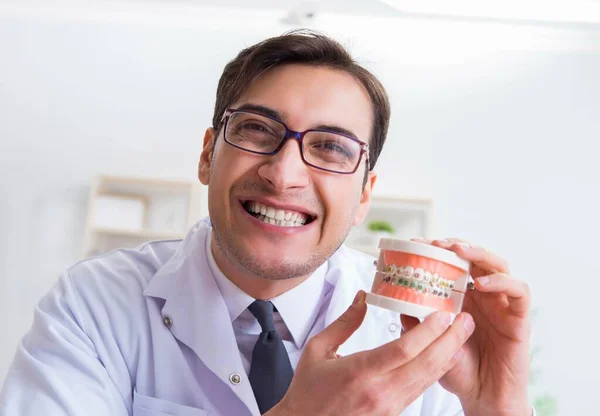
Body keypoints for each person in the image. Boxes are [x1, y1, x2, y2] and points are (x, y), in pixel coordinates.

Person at [0, 30, 533, 416]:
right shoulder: (94, 304)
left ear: (365, 193)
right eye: (257, 130)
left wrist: (497, 408)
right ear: (208, 156)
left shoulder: (423, 335)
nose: (283, 174)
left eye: (330, 146)